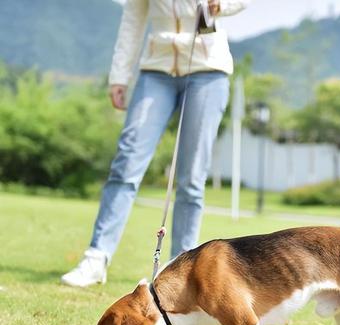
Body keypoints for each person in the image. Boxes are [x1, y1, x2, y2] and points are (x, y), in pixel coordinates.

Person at [61, 0, 249, 287]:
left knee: (192, 178)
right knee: (127, 161)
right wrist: (119, 77)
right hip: (156, 71)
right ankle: (97, 257)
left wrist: (221, 4)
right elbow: (133, 20)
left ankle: (181, 269)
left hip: (208, 71)